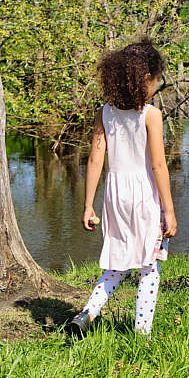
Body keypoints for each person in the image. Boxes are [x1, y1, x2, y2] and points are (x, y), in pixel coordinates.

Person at [70, 39, 177, 335]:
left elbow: (95, 159)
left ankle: (88, 312)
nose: (157, 85)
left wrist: (88, 205)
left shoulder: (105, 113)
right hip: (144, 197)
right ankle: (142, 334)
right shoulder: (151, 115)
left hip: (114, 195)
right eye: (157, 79)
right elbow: (158, 166)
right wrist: (169, 210)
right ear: (146, 78)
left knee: (117, 262)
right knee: (149, 267)